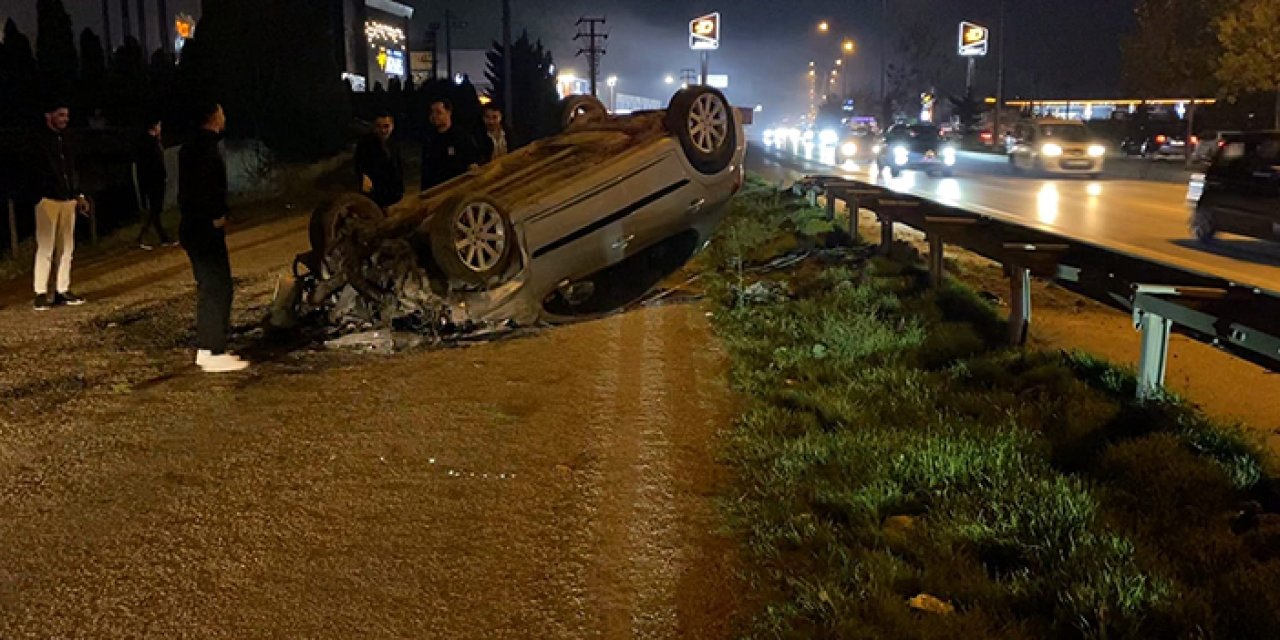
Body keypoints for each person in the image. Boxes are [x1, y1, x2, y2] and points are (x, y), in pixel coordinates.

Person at [178, 103, 248, 373]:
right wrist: (216, 215)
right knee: (216, 287)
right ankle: (211, 350)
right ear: (214, 117)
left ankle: (210, 347)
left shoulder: (191, 146)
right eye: (222, 112)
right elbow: (206, 187)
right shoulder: (205, 150)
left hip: (194, 225)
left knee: (214, 285)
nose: (225, 116)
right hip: (204, 227)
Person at [29, 100, 89, 311]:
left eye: (66, 115)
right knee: (46, 247)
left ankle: (63, 289)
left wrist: (79, 195)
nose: (65, 119)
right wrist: (37, 195)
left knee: (66, 248)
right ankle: (40, 292)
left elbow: (74, 168)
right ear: (49, 116)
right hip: (47, 199)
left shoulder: (68, 139)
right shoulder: (39, 140)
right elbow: (32, 170)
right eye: (61, 115)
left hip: (68, 199)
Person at [420, 98, 482, 190]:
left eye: (438, 112)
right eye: (432, 112)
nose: (434, 116)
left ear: (449, 112)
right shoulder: (429, 138)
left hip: (457, 188)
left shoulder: (461, 137)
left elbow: (473, 160)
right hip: (435, 190)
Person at [135, 118, 174, 249]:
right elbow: (149, 165)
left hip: (156, 180)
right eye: (159, 126)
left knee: (156, 210)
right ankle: (146, 237)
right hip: (153, 181)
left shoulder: (154, 142)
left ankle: (158, 237)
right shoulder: (148, 143)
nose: (160, 128)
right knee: (155, 210)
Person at [354, 112, 404, 208]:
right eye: (378, 126)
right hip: (374, 193)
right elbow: (359, 164)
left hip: (393, 193)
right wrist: (363, 177)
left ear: (392, 126)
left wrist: (400, 189)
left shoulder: (393, 143)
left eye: (386, 126)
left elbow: (397, 166)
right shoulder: (365, 143)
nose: (382, 130)